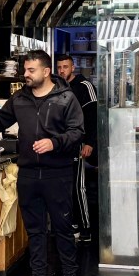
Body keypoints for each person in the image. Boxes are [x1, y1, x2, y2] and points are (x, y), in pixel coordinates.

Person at [0, 51, 88, 276]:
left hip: (58, 173)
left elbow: (77, 132)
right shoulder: (19, 98)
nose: (25, 74)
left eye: (31, 70)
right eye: (25, 70)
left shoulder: (66, 98)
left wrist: (54, 143)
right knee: (35, 229)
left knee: (63, 227)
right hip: (28, 173)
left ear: (46, 71)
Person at [55, 53, 98, 244]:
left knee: (78, 186)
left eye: (65, 67)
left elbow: (93, 116)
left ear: (73, 67)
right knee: (63, 185)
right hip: (61, 144)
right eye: (59, 67)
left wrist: (90, 142)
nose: (62, 70)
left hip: (79, 142)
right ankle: (72, 225)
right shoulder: (56, 86)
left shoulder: (84, 86)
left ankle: (86, 228)